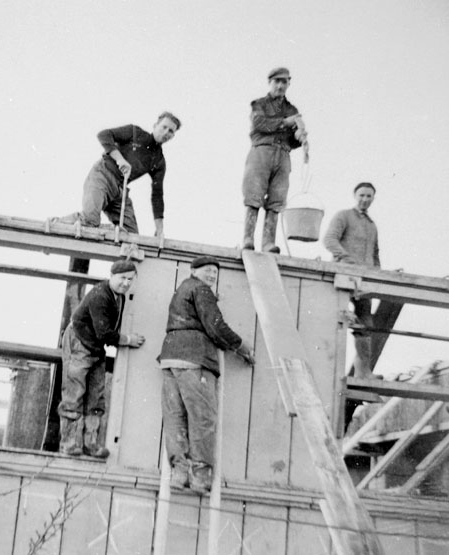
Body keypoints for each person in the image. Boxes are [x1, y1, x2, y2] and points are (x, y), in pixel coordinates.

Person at [157, 256, 255, 494]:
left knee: (175, 418)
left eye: (214, 272)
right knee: (202, 418)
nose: (212, 275)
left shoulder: (183, 289)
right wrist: (242, 348)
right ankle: (200, 477)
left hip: (170, 358)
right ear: (194, 271)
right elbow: (216, 326)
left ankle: (179, 474)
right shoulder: (201, 290)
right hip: (194, 359)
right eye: (207, 270)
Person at [58, 259, 145, 458]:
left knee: (96, 398)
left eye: (130, 279)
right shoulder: (100, 295)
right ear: (112, 276)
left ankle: (91, 444)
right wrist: (128, 340)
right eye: (122, 278)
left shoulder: (119, 297)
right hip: (79, 343)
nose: (126, 283)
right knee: (74, 393)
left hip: (96, 348)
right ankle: (69, 444)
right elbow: (104, 333)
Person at [70, 112, 181, 237]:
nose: (166, 132)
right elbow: (104, 135)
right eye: (164, 127)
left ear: (173, 136)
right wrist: (120, 159)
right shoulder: (135, 133)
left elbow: (157, 195)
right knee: (90, 221)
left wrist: (159, 229)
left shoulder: (159, 161)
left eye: (171, 131)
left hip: (119, 191)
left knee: (131, 237)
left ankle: (102, 228)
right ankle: (58, 223)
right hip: (102, 176)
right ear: (155, 125)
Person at [241, 67, 309, 254]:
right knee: (254, 194)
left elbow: (292, 141)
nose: (280, 85)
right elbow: (259, 124)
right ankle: (248, 238)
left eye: (284, 81)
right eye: (276, 81)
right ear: (270, 82)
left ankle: (268, 242)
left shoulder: (292, 109)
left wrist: (299, 136)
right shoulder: (259, 104)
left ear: (288, 83)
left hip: (283, 154)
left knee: (277, 198)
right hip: (262, 152)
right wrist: (285, 123)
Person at [323, 182, 381, 379]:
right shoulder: (343, 216)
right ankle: (327, 366)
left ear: (373, 199)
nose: (365, 199)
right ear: (355, 195)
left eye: (369, 196)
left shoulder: (372, 226)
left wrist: (377, 276)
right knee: (336, 317)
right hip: (343, 276)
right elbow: (330, 240)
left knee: (365, 322)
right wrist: (347, 260)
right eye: (362, 195)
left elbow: (375, 254)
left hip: (364, 281)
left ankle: (363, 371)